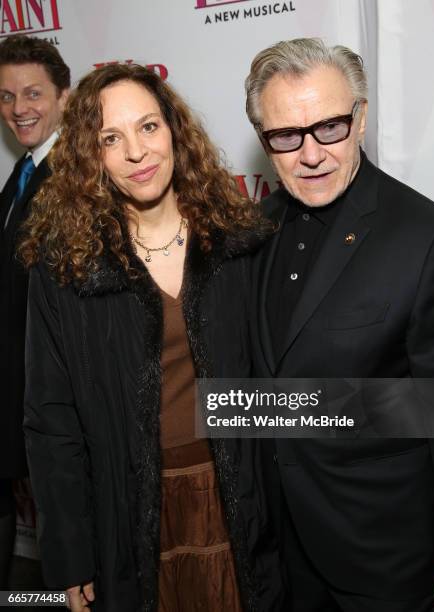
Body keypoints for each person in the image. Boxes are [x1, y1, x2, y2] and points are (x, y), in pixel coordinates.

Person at [20, 63, 283, 612]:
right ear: (90, 157)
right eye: (110, 139)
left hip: (244, 497)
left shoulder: (240, 242)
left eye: (147, 127)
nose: (136, 153)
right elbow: (51, 421)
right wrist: (70, 555)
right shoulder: (66, 270)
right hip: (129, 508)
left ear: (173, 131)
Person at [245, 37, 434, 612]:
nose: (310, 154)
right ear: (265, 141)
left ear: (361, 119)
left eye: (329, 127)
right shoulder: (252, 231)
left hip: (384, 553)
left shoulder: (425, 236)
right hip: (280, 550)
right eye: (285, 135)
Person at [0, 34, 70, 587]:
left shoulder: (73, 179)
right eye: (5, 96)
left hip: (50, 398)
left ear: (64, 98)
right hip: (15, 392)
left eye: (32, 94)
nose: (18, 108)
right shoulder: (22, 171)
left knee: (68, 552)